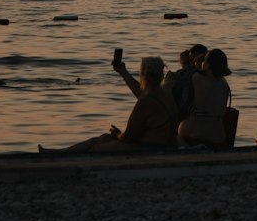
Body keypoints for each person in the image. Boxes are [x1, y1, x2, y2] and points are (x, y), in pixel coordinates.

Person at [42, 56, 178, 154]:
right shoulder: (164, 93)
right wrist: (123, 72)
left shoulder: (146, 101)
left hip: (151, 148)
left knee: (97, 148)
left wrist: (118, 135)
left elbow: (128, 138)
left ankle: (60, 156)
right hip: (163, 144)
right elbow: (142, 92)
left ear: (143, 75)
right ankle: (59, 152)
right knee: (102, 138)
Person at [178, 48, 232, 148]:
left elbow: (186, 74)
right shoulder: (225, 85)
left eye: (204, 60)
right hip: (218, 139)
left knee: (172, 136)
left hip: (194, 136)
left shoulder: (197, 78)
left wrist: (196, 60)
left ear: (207, 65)